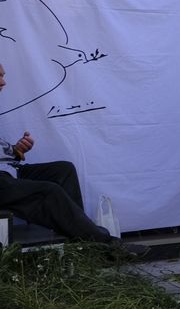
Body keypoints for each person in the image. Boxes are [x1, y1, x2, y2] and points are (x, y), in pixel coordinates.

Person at [0, 64, 147, 258]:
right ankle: (105, 245)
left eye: (3, 76)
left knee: (63, 170)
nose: (3, 82)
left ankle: (77, 243)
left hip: (7, 171)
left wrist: (18, 150)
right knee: (48, 192)